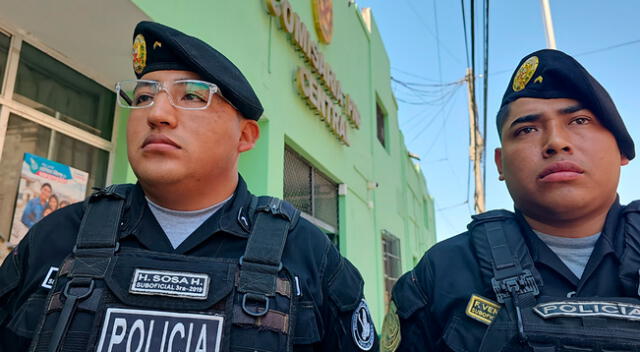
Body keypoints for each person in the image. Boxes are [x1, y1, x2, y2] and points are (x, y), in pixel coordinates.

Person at [0, 21, 377, 352]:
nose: (157, 114)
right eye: (144, 96)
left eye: (192, 96)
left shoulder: (307, 254)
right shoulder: (59, 237)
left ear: (245, 136)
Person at [382, 49, 640, 352]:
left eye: (579, 120)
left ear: (621, 149)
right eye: (527, 129)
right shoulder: (440, 272)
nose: (556, 142)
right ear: (500, 164)